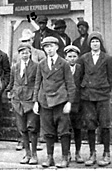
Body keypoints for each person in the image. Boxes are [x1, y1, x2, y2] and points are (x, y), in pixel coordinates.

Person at [33, 37, 76, 168]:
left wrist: (69, 102)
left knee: (63, 131)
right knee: (48, 131)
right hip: (45, 102)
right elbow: (37, 83)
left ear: (57, 47)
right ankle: (49, 157)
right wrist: (35, 101)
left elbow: (70, 84)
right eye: (46, 47)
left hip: (60, 102)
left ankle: (64, 158)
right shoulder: (41, 64)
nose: (49, 49)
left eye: (51, 46)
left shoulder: (64, 63)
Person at [77, 32, 112, 167]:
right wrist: (84, 89)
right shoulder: (83, 58)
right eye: (92, 42)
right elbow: (79, 76)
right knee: (90, 125)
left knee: (105, 125)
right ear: (89, 44)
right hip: (88, 96)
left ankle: (106, 153)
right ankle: (92, 153)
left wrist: (105, 89)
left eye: (97, 41)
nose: (95, 44)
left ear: (101, 43)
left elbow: (111, 77)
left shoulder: (107, 58)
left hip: (102, 96)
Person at [6, 43, 40, 165]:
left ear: (30, 53)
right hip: (18, 101)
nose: (24, 55)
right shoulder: (15, 67)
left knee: (32, 128)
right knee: (22, 128)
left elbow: (37, 84)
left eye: (26, 52)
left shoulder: (36, 66)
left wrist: (36, 99)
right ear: (19, 54)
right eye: (22, 53)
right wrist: (9, 92)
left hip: (30, 100)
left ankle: (34, 155)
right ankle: (27, 153)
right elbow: (11, 82)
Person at [63, 45, 84, 164]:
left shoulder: (80, 68)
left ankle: (78, 152)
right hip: (65, 102)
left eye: (74, 56)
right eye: (69, 56)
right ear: (65, 57)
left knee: (78, 128)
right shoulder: (63, 68)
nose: (72, 59)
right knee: (66, 128)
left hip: (78, 103)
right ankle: (67, 153)